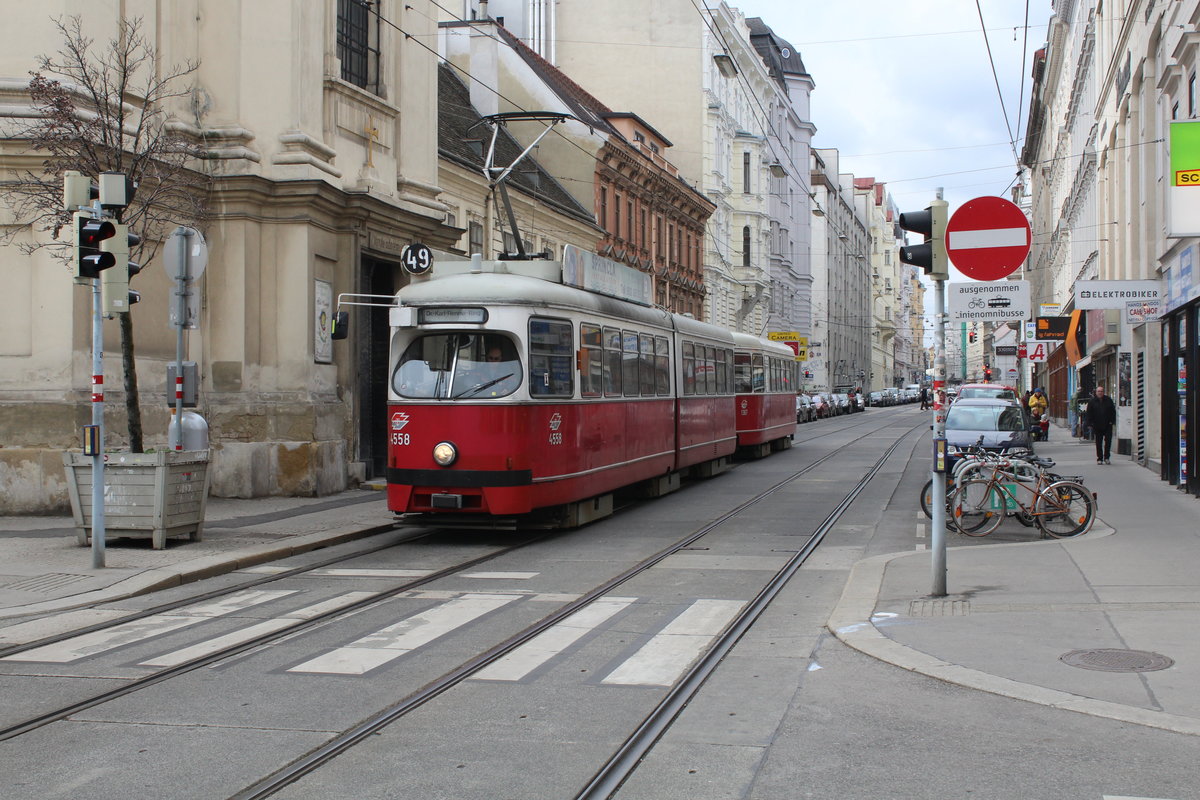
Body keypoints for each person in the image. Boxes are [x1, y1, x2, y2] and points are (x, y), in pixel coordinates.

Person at [1085, 384, 1117, 464]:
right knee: (1098, 442)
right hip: (1097, 424)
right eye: (1098, 391)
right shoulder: (1092, 401)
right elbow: (1089, 413)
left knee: (1108, 441)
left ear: (1104, 392)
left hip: (1107, 424)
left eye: (1101, 391)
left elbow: (1113, 411)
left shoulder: (1108, 400)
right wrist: (1089, 423)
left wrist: (1112, 421)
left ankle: (1107, 457)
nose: (1100, 393)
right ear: (1096, 392)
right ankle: (1099, 458)